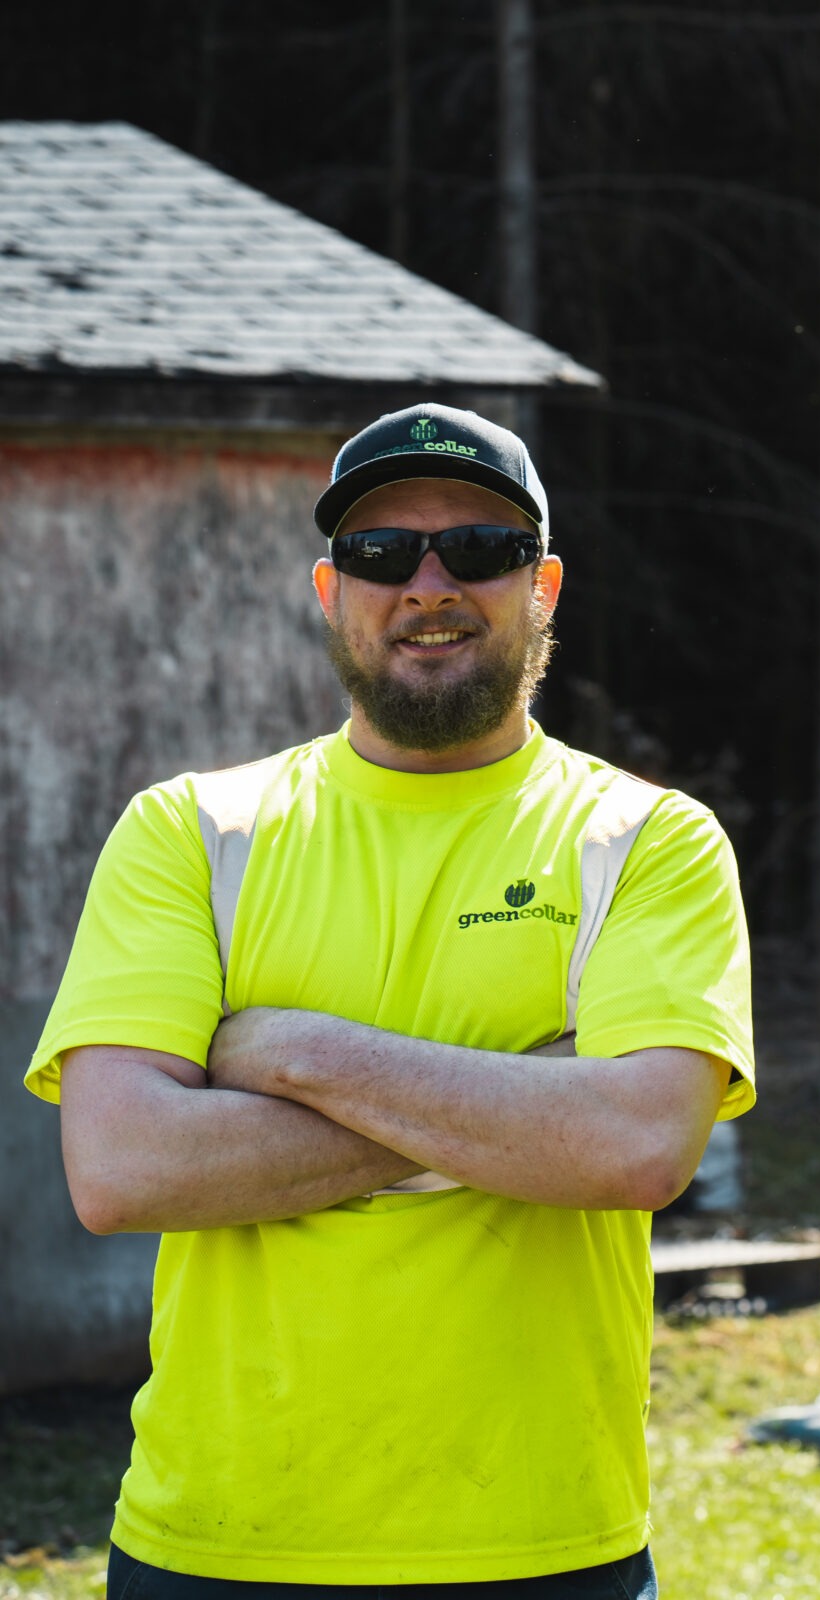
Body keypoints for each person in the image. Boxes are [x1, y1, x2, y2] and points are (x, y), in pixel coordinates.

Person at [30, 403, 755, 1596]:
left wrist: (287, 1050)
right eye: (381, 555)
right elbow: (122, 1169)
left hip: (543, 1543)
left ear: (545, 585)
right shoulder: (192, 831)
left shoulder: (646, 839)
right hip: (217, 1544)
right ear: (330, 588)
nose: (429, 583)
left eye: (477, 549)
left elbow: (632, 1146)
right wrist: (520, 1102)